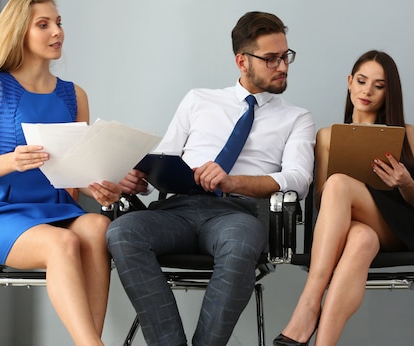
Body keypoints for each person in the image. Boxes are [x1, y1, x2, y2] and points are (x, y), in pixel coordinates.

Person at [106, 11, 315, 346]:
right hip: (179, 208)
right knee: (122, 232)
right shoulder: (198, 100)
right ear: (242, 61)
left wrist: (232, 182)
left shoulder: (296, 118)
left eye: (286, 56)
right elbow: (165, 156)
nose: (283, 66)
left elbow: (298, 178)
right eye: (271, 59)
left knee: (242, 240)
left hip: (239, 213)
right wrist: (136, 175)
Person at [0, 0, 123, 345]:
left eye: (58, 22)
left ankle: (88, 341)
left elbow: (75, 171)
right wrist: (10, 161)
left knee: (98, 226)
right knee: (63, 243)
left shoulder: (74, 95)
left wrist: (99, 186)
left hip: (56, 210)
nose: (57, 32)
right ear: (20, 32)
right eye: (43, 25)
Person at [274, 50, 414, 346]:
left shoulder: (407, 133)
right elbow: (320, 201)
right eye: (361, 81)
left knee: (339, 183)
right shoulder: (327, 136)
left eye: (379, 86)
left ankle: (309, 303)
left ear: (389, 93)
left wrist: (405, 182)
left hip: (399, 229)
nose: (367, 91)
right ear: (349, 82)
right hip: (351, 228)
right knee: (361, 239)